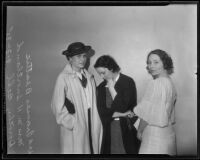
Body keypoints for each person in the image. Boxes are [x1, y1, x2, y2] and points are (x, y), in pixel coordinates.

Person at [51, 42, 103, 154]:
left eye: (84, 56)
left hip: (91, 119)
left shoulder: (89, 77)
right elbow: (56, 106)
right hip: (76, 125)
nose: (82, 59)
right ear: (70, 59)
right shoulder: (63, 78)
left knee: (92, 149)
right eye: (78, 56)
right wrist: (73, 123)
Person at [133, 49, 177, 155]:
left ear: (165, 63)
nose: (151, 66)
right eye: (149, 63)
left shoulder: (155, 83)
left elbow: (147, 114)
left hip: (153, 134)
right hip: (168, 132)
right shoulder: (170, 82)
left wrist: (139, 131)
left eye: (156, 62)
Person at [94, 55, 140, 154]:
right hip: (109, 129)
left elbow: (123, 107)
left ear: (111, 68)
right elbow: (102, 112)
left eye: (103, 73)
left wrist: (111, 88)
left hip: (127, 128)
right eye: (99, 74)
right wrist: (122, 114)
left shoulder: (127, 82)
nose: (102, 77)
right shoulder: (101, 87)